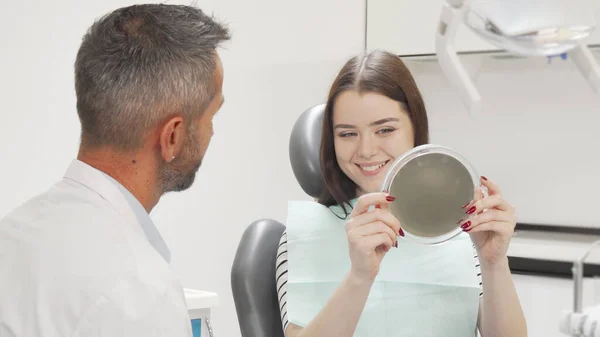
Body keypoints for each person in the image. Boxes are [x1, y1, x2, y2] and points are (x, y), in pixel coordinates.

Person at [0, 4, 229, 337]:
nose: (212, 132)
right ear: (173, 137)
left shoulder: (12, 234)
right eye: (211, 116)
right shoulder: (140, 295)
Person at [275, 50, 527, 337]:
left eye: (384, 129)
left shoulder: (458, 230)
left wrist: (494, 263)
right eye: (347, 134)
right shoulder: (303, 237)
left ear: (415, 127)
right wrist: (360, 277)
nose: (366, 150)